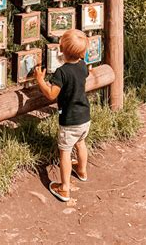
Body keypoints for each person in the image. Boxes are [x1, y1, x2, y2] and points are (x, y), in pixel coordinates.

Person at [34, 29, 91, 202]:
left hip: (70, 120)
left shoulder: (61, 72)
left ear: (61, 49)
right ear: (82, 52)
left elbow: (51, 94)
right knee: (81, 143)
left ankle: (64, 188)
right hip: (85, 117)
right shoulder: (83, 66)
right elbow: (84, 74)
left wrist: (40, 81)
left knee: (65, 152)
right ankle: (81, 171)